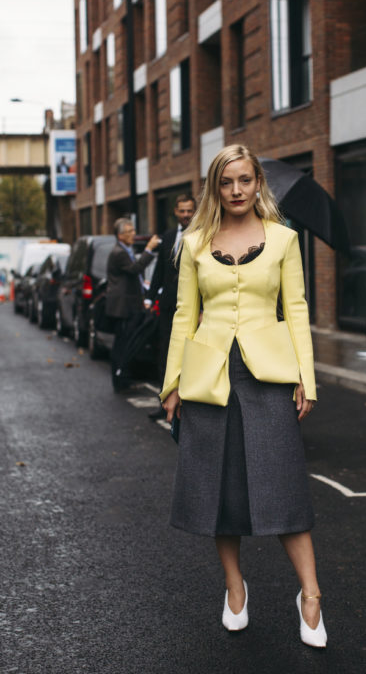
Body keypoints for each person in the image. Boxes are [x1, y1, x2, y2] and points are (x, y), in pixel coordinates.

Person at [161, 144, 327, 648]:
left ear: (259, 184)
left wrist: (307, 378)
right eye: (226, 182)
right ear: (216, 187)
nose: (236, 190)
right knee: (218, 488)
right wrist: (171, 385)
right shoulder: (193, 242)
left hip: (269, 375)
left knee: (283, 484)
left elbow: (295, 309)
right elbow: (184, 316)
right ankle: (235, 586)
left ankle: (311, 595)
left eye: (245, 180)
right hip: (209, 375)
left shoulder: (283, 240)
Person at [146, 194, 196, 421]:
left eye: (189, 211)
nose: (186, 215)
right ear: (175, 212)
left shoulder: (202, 234)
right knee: (165, 353)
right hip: (168, 305)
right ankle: (164, 402)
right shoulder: (167, 236)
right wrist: (149, 297)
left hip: (195, 306)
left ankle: (190, 403)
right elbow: (159, 271)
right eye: (182, 211)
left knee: (192, 355)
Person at [105, 218, 159, 391]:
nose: (133, 234)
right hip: (123, 307)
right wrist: (149, 249)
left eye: (133, 231)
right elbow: (135, 268)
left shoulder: (125, 250)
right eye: (130, 232)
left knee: (127, 342)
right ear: (120, 235)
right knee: (122, 344)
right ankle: (120, 380)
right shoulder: (119, 253)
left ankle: (123, 377)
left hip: (128, 304)